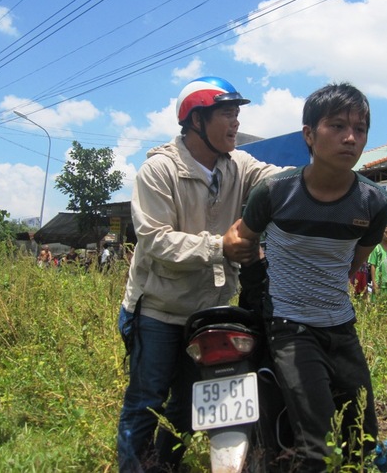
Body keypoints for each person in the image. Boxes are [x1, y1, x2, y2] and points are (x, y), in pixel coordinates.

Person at [116, 76, 286, 472]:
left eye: (237, 114)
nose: (236, 123)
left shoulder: (237, 164)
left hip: (208, 311)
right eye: (227, 114)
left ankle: (166, 464)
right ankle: (133, 466)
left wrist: (322, 175)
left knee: (188, 403)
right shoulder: (158, 171)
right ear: (196, 120)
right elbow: (156, 241)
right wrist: (218, 246)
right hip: (158, 310)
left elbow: (277, 179)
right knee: (146, 400)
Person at [236, 82, 387, 471]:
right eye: (337, 126)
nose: (351, 138)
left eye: (360, 129)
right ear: (309, 134)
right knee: (316, 445)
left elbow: (354, 263)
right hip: (290, 327)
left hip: (341, 325)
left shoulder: (373, 201)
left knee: (363, 435)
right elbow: (245, 240)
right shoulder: (275, 192)